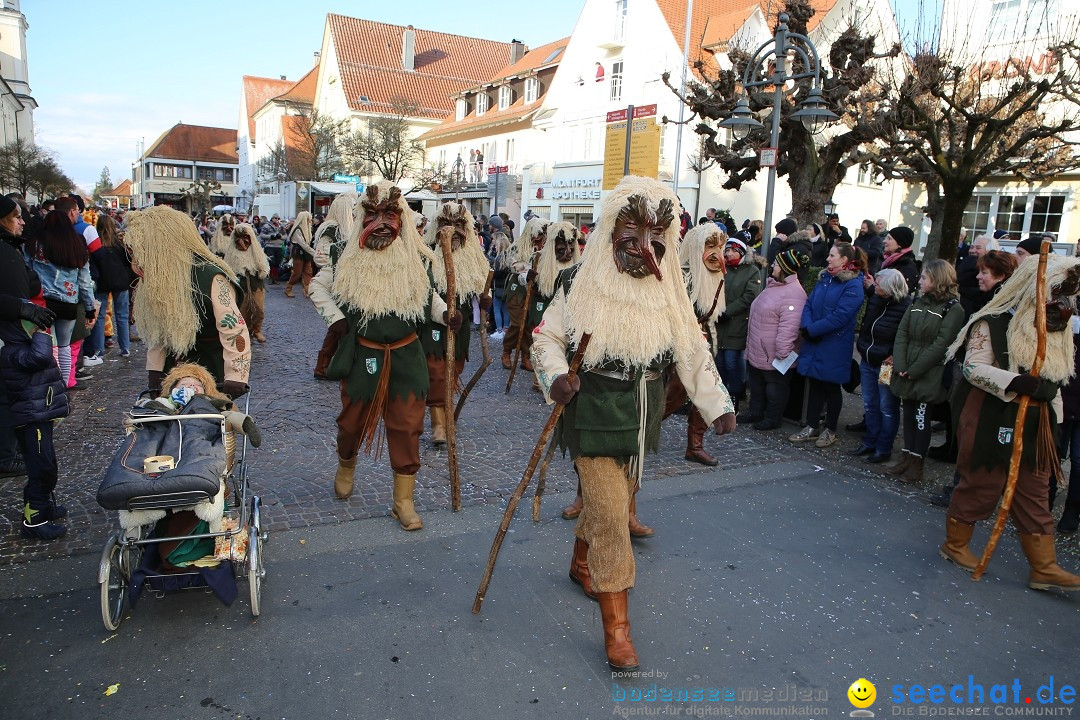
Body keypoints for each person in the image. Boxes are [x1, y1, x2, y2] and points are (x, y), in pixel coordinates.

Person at [530, 176, 735, 670]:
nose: (646, 248)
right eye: (633, 234)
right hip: (594, 414)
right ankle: (617, 630)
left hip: (643, 420)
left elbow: (690, 346)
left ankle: (581, 562)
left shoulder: (671, 291)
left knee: (611, 502)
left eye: (656, 235)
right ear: (610, 232)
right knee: (612, 514)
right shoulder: (576, 283)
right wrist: (556, 377)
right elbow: (545, 339)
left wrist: (715, 403)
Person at [309, 183, 451, 529]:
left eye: (391, 214)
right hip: (364, 357)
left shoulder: (417, 259)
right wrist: (338, 321)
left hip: (406, 357)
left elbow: (429, 298)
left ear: (402, 219)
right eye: (373, 214)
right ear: (362, 217)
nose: (382, 222)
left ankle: (403, 501)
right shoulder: (343, 254)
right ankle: (346, 463)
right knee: (351, 423)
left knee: (407, 428)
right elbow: (317, 287)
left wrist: (447, 315)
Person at [940, 254, 1080, 591]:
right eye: (1055, 290)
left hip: (1037, 421)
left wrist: (1055, 420)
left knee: (1034, 489)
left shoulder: (1056, 331)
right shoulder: (993, 321)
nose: (1060, 301)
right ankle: (955, 545)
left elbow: (1058, 379)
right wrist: (1012, 382)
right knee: (982, 482)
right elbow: (973, 368)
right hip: (993, 414)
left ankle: (1043, 567)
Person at [122, 206, 250, 397]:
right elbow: (158, 331)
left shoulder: (211, 277)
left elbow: (233, 328)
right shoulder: (156, 278)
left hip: (210, 371)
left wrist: (236, 376)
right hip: (172, 373)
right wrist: (155, 371)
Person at [0, 195, 68, 540]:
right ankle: (35, 516)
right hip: (27, 387)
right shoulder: (13, 347)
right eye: (15, 217)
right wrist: (38, 330)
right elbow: (36, 358)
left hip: (35, 392)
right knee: (40, 458)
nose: (22, 221)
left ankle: (42, 503)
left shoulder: (11, 251)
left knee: (44, 456)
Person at [929, 249, 1019, 506]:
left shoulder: (1003, 307)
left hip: (989, 384)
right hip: (973, 373)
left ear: (1001, 275)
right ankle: (963, 488)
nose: (978, 277)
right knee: (966, 434)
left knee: (973, 437)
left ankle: (966, 492)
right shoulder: (987, 300)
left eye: (984, 272)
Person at [885, 260, 965, 484]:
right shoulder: (918, 302)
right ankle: (906, 456)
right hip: (907, 367)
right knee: (908, 415)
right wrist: (901, 365)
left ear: (937, 280)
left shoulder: (953, 309)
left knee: (921, 418)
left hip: (929, 372)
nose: (919, 281)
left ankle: (917, 464)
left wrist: (915, 369)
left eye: (924, 278)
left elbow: (942, 344)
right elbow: (902, 333)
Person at [421, 202, 492, 447]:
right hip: (433, 325)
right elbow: (423, 291)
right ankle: (438, 425)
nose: (452, 230)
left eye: (459, 225)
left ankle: (446, 414)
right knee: (437, 373)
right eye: (446, 224)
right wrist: (442, 313)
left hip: (459, 325)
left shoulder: (471, 254)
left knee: (453, 371)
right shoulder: (426, 254)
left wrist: (485, 298)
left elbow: (482, 281)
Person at [664, 223, 730, 465]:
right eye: (709, 246)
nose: (716, 253)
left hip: (707, 343)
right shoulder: (682, 276)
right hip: (684, 345)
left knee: (705, 391)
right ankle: (640, 432)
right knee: (675, 396)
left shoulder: (714, 275)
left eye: (719, 247)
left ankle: (695, 445)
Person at [790, 243, 866, 448]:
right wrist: (807, 327)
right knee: (815, 384)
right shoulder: (825, 279)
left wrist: (813, 330)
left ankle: (830, 430)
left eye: (832, 255)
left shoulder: (853, 285)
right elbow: (809, 304)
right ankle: (812, 426)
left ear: (844, 260)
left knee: (831, 387)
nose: (827, 259)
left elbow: (841, 316)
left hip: (834, 343)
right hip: (815, 340)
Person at [24, 210, 96, 382]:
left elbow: (26, 271)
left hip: (42, 301)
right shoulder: (77, 247)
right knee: (64, 346)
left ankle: (51, 385)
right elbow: (85, 282)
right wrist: (90, 309)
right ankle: (64, 384)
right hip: (68, 302)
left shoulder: (35, 244)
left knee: (49, 345)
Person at [850, 269, 913, 464]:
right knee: (870, 403)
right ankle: (870, 441)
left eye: (878, 285)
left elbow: (907, 336)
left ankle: (883, 447)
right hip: (868, 359)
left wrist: (894, 355)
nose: (874, 287)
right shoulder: (877, 298)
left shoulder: (906, 307)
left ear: (890, 287)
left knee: (886, 406)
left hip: (886, 364)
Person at [743, 248, 808, 431]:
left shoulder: (793, 294)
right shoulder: (774, 286)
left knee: (775, 389)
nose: (773, 266)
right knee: (756, 385)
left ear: (785, 268)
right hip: (760, 350)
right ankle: (755, 412)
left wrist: (782, 353)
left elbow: (790, 327)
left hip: (775, 354)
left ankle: (772, 418)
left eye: (777, 264)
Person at [309, 193, 356, 380]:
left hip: (345, 281)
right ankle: (322, 366)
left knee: (339, 327)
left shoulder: (347, 228)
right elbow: (320, 256)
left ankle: (332, 364)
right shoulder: (331, 228)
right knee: (336, 326)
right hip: (333, 280)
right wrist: (336, 264)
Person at [714, 236, 763, 412]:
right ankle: (720, 396)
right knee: (719, 361)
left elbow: (749, 296)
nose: (729, 253)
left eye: (733, 250)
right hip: (720, 323)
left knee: (731, 362)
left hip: (737, 322)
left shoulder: (752, 271)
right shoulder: (722, 268)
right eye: (727, 250)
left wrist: (728, 311)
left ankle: (734, 394)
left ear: (741, 252)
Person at [84, 213, 132, 361]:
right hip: (120, 282)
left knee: (100, 317)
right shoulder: (120, 244)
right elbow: (127, 262)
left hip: (102, 283)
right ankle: (125, 348)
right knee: (122, 317)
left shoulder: (96, 245)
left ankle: (99, 349)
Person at [502, 216, 546, 370]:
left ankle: (525, 357)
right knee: (517, 323)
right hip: (517, 292)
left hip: (534, 293)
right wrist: (527, 274)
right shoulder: (517, 247)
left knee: (529, 326)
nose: (539, 236)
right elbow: (513, 266)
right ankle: (507, 351)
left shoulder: (545, 249)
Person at [224, 223, 270, 344]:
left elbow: (262, 263)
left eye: (245, 237)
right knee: (243, 310)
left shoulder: (256, 250)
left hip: (256, 282)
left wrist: (262, 271)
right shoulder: (232, 252)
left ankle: (257, 329)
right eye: (239, 238)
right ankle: (246, 330)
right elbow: (228, 267)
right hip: (241, 283)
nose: (242, 241)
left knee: (259, 308)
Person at [957, 236, 998, 317]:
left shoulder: (992, 292)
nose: (972, 250)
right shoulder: (964, 266)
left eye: (978, 248)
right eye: (971, 247)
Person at [285, 211, 315, 299]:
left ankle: (307, 290)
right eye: (309, 220)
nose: (310, 222)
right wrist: (314, 253)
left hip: (306, 252)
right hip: (299, 252)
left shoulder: (307, 228)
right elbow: (303, 244)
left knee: (308, 272)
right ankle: (288, 289)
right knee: (297, 273)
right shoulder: (297, 229)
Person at [880, 226, 919, 295]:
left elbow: (897, 294)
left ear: (900, 244)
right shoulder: (889, 261)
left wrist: (872, 288)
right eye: (886, 237)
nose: (884, 241)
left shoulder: (906, 267)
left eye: (889, 238)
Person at [259, 214, 284, 284]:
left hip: (279, 246)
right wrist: (271, 236)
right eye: (275, 218)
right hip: (270, 246)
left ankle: (275, 277)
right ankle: (271, 277)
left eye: (278, 218)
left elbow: (286, 236)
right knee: (272, 262)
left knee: (277, 262)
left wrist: (280, 236)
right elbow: (262, 235)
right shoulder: (266, 226)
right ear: (272, 218)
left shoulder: (281, 227)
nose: (277, 220)